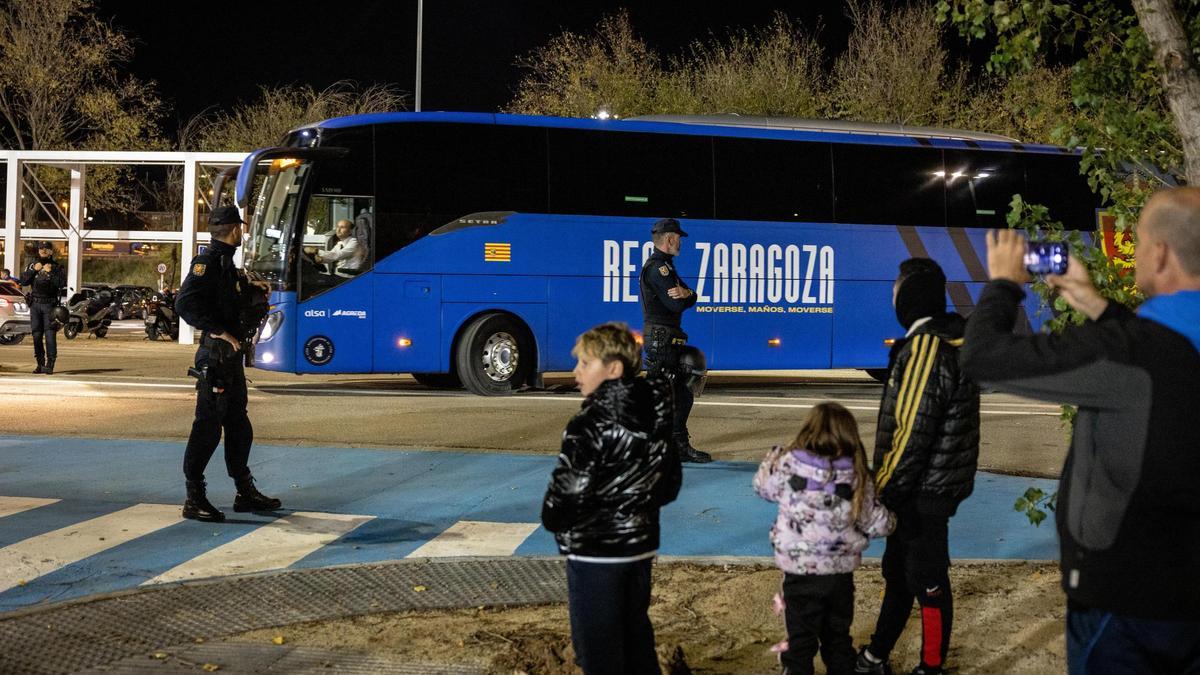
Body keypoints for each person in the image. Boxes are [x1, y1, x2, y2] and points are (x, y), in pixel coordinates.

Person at [961, 187, 1200, 674]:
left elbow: (982, 358)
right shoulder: (1152, 350)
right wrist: (1097, 305)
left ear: (1159, 253)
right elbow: (1164, 363)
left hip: (1125, 606)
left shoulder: (1126, 353)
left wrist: (1005, 284)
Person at [856, 258, 980, 675]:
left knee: (926, 581)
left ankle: (930, 666)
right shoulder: (945, 340)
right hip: (932, 487)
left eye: (896, 285)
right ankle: (876, 655)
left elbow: (910, 433)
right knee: (900, 574)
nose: (891, 293)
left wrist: (878, 492)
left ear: (910, 293)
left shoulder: (926, 346)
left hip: (919, 493)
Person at [541, 322, 682, 675]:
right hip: (640, 546)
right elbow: (670, 483)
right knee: (635, 640)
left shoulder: (589, 424)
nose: (575, 372)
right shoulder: (656, 412)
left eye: (585, 364)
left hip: (595, 552)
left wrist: (552, 517)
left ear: (614, 368)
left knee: (598, 652)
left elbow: (567, 495)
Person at [754, 402, 894, 675]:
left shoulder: (787, 464)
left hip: (798, 571)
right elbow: (878, 524)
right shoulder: (856, 476)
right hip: (838, 575)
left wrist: (773, 457)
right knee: (837, 639)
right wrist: (894, 519)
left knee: (800, 641)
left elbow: (763, 487)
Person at [175, 206, 280, 522]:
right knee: (207, 428)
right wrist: (219, 331)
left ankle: (244, 492)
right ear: (235, 229)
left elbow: (224, 299)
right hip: (216, 358)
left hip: (229, 360)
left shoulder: (226, 265)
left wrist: (252, 289)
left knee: (239, 426)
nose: (242, 233)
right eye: (241, 228)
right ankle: (194, 497)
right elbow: (184, 303)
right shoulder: (207, 263)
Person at [639, 217, 710, 463]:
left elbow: (691, 295)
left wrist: (688, 293)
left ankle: (678, 446)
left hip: (668, 338)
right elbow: (677, 304)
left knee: (683, 391)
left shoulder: (666, 267)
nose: (681, 242)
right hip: (661, 340)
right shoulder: (658, 269)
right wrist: (686, 295)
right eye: (679, 238)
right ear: (670, 239)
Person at [18, 241, 66, 374]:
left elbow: (62, 284)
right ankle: (40, 363)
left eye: (46, 248)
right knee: (36, 335)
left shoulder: (57, 267)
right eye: (41, 248)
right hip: (35, 305)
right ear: (38, 251)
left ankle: (50, 364)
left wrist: (50, 273)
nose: (43, 250)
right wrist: (34, 270)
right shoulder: (33, 265)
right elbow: (23, 281)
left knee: (50, 335)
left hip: (50, 305)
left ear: (51, 251)